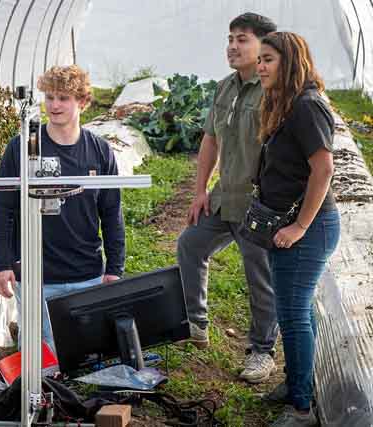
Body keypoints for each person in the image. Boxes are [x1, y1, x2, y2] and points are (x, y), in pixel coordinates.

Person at [0, 65, 125, 353]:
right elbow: (2, 208)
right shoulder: (24, 147)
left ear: (82, 102)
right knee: (42, 359)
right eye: (49, 97)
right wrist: (2, 263)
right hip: (36, 274)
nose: (54, 105)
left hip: (85, 272)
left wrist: (114, 268)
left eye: (63, 98)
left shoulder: (99, 151)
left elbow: (111, 212)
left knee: (86, 354)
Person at [176, 12, 280, 383]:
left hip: (259, 205)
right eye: (230, 38)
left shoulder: (274, 90)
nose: (233, 46)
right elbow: (211, 139)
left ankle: (262, 351)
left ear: (265, 46)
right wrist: (200, 190)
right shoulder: (225, 87)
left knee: (259, 277)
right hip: (223, 197)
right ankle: (195, 323)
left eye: (243, 39)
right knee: (190, 244)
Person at [256, 31, 339, 427]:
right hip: (289, 223)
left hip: (309, 227)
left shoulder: (307, 106)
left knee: (292, 313)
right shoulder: (286, 104)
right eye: (260, 59)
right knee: (298, 311)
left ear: (290, 61)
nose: (260, 66)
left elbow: (323, 169)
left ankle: (301, 407)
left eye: (268, 59)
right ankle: (295, 383)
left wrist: (301, 226)